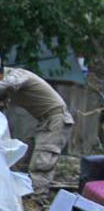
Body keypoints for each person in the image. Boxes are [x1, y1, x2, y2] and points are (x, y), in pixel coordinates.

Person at [0, 58, 73, 194]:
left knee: (42, 161)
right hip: (44, 121)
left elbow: (10, 83)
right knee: (23, 158)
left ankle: (36, 198)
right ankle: (24, 195)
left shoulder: (18, 74)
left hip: (57, 118)